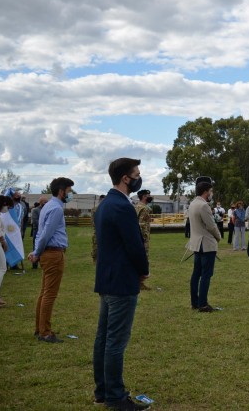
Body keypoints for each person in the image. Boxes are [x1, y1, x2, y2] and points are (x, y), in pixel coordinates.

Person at [93, 158, 151, 410]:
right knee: (115, 341)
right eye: (136, 174)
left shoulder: (106, 204)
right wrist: (143, 271)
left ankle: (103, 390)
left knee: (104, 339)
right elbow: (134, 245)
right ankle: (115, 396)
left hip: (107, 279)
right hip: (121, 281)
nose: (139, 177)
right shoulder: (121, 206)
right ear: (126, 178)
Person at [29, 176, 75, 343]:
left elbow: (42, 233)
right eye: (69, 191)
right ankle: (45, 332)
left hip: (48, 253)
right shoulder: (55, 209)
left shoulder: (48, 206)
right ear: (62, 191)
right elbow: (47, 234)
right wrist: (36, 253)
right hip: (54, 254)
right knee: (49, 294)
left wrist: (37, 251)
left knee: (44, 293)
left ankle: (40, 328)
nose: (70, 195)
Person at [188, 179, 221, 312]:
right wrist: (218, 237)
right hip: (206, 244)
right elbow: (211, 225)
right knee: (206, 275)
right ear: (205, 192)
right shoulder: (203, 206)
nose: (212, 194)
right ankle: (203, 304)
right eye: (211, 191)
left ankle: (195, 302)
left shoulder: (192, 204)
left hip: (197, 244)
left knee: (196, 274)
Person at [135, 189, 153, 290]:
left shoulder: (136, 206)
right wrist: (143, 238)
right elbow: (142, 224)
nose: (150, 196)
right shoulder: (145, 209)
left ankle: (137, 281)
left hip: (136, 236)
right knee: (144, 258)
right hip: (142, 237)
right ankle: (140, 282)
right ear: (143, 197)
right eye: (148, 195)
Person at [30, 196, 48, 269]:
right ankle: (35, 264)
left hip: (45, 231)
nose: (46, 203)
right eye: (45, 202)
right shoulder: (35, 210)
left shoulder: (47, 210)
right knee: (36, 246)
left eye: (47, 202)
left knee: (45, 247)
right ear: (40, 202)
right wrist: (45, 225)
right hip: (37, 231)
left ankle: (44, 263)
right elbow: (35, 221)